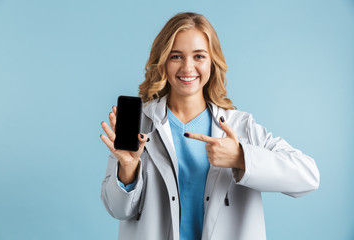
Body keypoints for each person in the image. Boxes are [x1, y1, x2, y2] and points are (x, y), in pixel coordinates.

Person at [100, 12, 320, 240]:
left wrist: (241, 158)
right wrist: (127, 170)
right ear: (163, 61)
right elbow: (117, 209)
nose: (187, 67)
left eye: (199, 56)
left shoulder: (239, 126)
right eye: (176, 56)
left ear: (212, 62)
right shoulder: (140, 125)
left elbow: (308, 177)